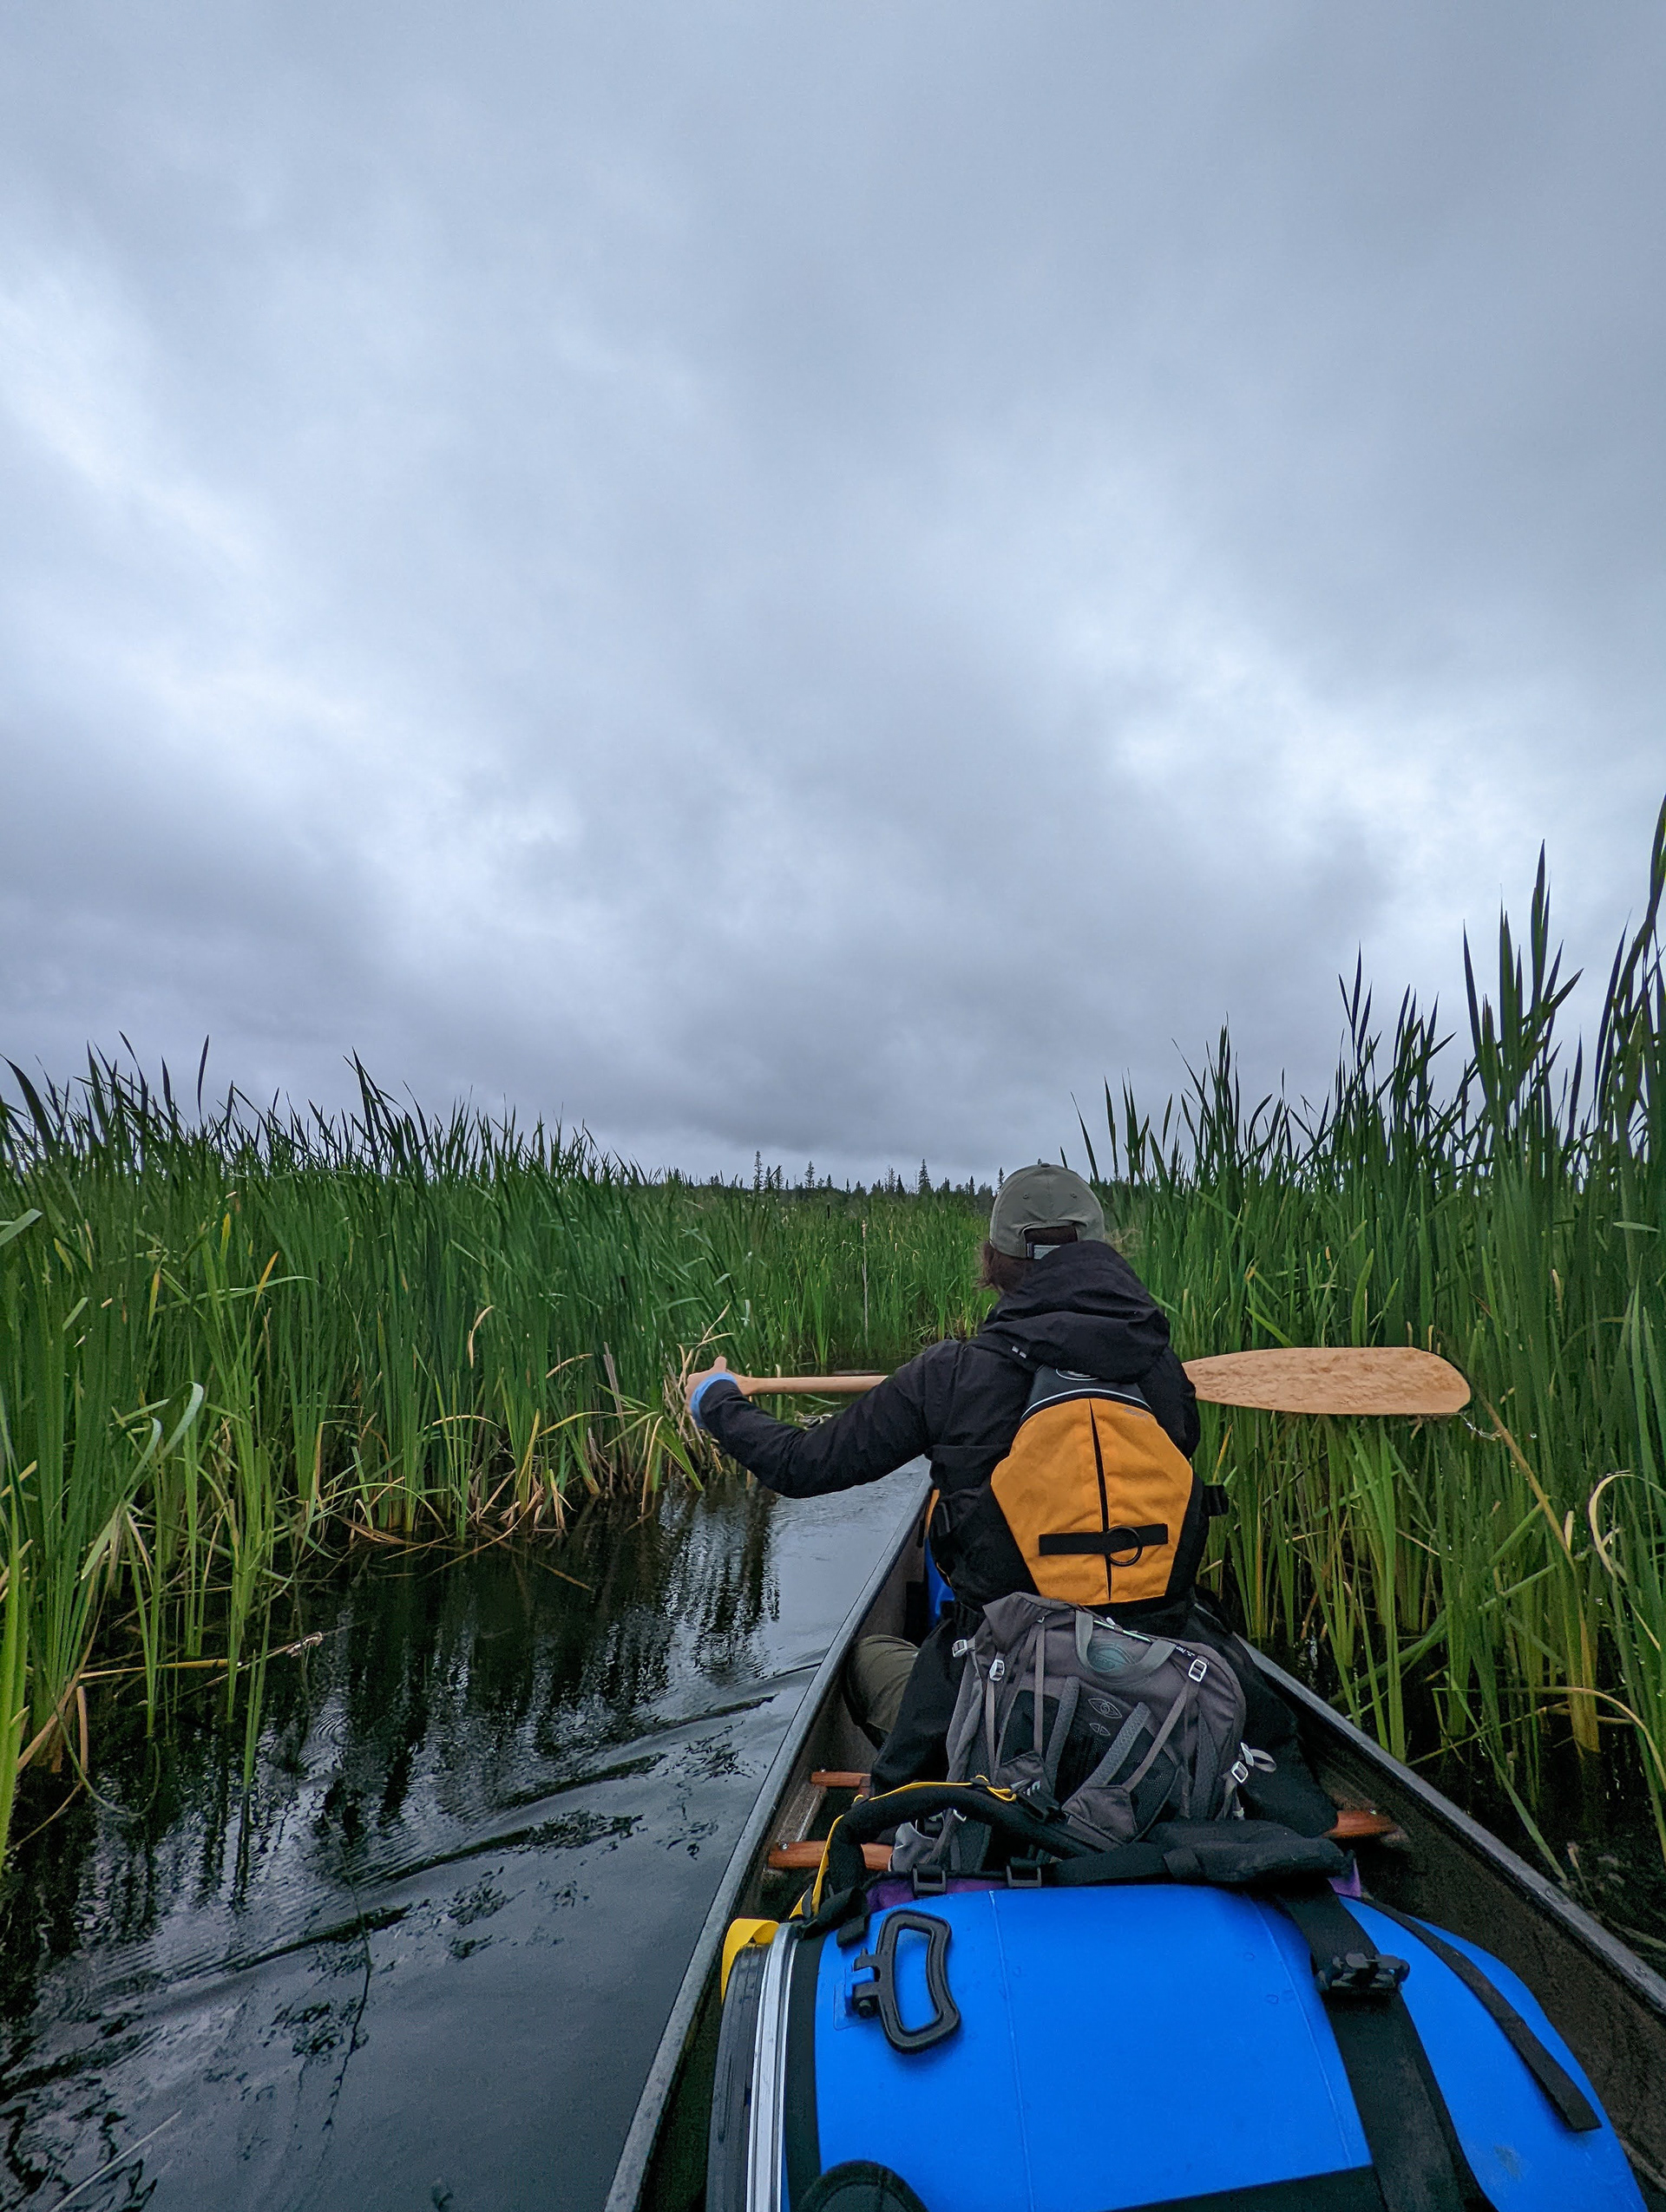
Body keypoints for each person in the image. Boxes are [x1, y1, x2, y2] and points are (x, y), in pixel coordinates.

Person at [685, 1163, 1331, 1829]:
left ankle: (945, 1791)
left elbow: (799, 1466)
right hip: (1160, 1678)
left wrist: (717, 1401)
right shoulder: (1162, 1372)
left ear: (993, 1262)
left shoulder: (951, 1374)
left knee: (869, 1658)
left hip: (1001, 1688)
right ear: (1101, 1252)